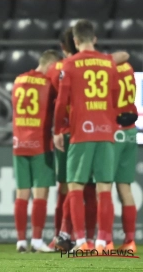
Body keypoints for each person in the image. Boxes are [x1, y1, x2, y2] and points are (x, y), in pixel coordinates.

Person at [47, 28, 129, 251]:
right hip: (105, 131)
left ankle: (82, 241)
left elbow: (62, 102)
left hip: (81, 131)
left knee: (74, 186)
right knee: (104, 189)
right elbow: (113, 95)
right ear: (95, 38)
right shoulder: (108, 63)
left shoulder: (70, 64)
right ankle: (104, 242)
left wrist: (57, 131)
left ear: (75, 40)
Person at [12, 50, 61, 253]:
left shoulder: (18, 79)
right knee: (41, 193)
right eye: (56, 68)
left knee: (22, 193)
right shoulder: (49, 84)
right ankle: (38, 240)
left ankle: (21, 241)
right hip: (40, 142)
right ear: (51, 65)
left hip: (19, 142)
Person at [107, 61, 138, 252]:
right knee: (125, 188)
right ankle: (130, 241)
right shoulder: (127, 67)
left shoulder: (107, 71)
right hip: (131, 130)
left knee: (104, 186)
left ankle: (106, 241)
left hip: (114, 130)